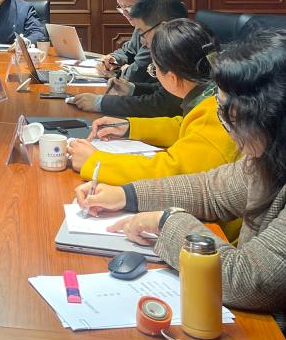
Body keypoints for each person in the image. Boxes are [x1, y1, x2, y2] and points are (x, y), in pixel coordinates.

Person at [74, 30, 286, 340]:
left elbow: (246, 280)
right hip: (281, 330)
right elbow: (210, 190)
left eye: (228, 112)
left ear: (273, 113)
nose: (226, 127)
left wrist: (167, 222)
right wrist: (125, 195)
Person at [67, 20, 240, 237]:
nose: (154, 74)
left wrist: (96, 161)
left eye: (154, 69)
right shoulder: (213, 94)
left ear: (172, 78)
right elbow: (185, 127)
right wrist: (129, 126)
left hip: (221, 235)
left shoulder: (216, 113)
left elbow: (170, 174)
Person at [69, 0, 186, 117]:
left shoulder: (184, 52)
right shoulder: (177, 46)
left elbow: (162, 105)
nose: (143, 41)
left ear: (163, 27)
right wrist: (132, 89)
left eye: (143, 33)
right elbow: (165, 92)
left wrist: (101, 103)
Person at [95, 0, 157, 82]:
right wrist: (114, 59)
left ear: (148, 0)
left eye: (129, 7)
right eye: (121, 8)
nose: (125, 14)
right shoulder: (142, 20)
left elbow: (135, 74)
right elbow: (129, 51)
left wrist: (120, 70)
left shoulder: (159, 27)